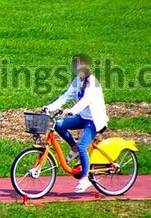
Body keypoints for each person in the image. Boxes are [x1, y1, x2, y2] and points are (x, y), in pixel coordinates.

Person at [43, 54, 110, 193]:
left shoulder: (93, 83)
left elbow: (86, 100)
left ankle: (85, 178)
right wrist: (49, 107)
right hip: (82, 117)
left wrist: (71, 111)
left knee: (82, 146)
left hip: (94, 121)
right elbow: (66, 96)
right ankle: (73, 148)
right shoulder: (78, 80)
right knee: (58, 124)